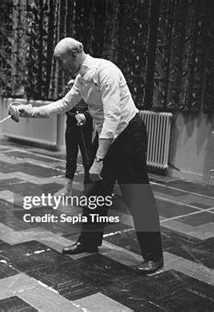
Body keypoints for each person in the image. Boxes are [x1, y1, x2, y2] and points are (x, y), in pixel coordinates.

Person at [10, 37, 163, 274]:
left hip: (128, 133)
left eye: (61, 61)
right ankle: (89, 242)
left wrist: (99, 161)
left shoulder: (106, 71)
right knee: (94, 188)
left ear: (76, 52)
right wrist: (29, 111)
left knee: (137, 193)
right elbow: (63, 104)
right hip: (106, 134)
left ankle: (154, 257)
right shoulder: (81, 79)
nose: (60, 66)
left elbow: (113, 117)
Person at [57, 79, 94, 196]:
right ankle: (68, 188)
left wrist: (85, 115)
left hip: (85, 125)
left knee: (87, 158)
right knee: (71, 157)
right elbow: (62, 102)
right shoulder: (71, 85)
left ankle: (88, 190)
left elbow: (95, 107)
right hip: (72, 124)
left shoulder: (91, 86)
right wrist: (72, 114)